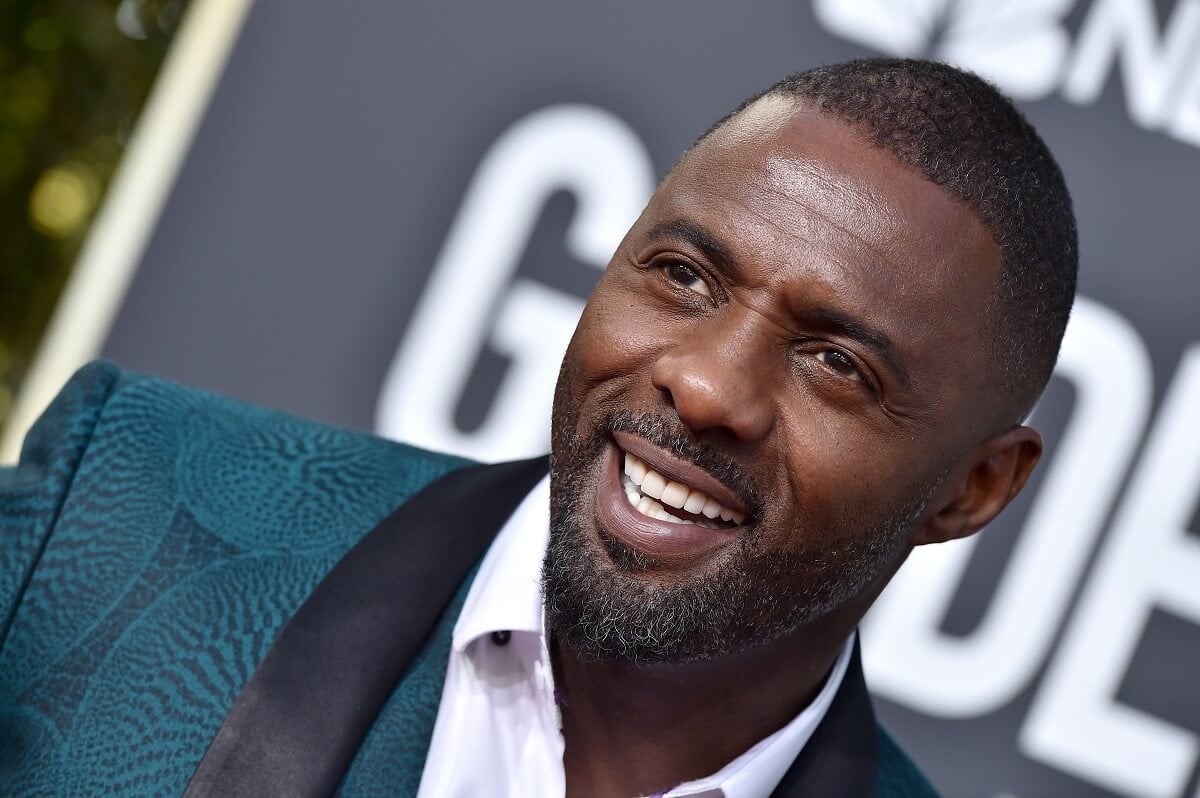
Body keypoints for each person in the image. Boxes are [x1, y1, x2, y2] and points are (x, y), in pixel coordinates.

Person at [0, 57, 1076, 797]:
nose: (704, 387)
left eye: (836, 363)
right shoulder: (113, 511)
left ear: (973, 488)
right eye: (683, 276)